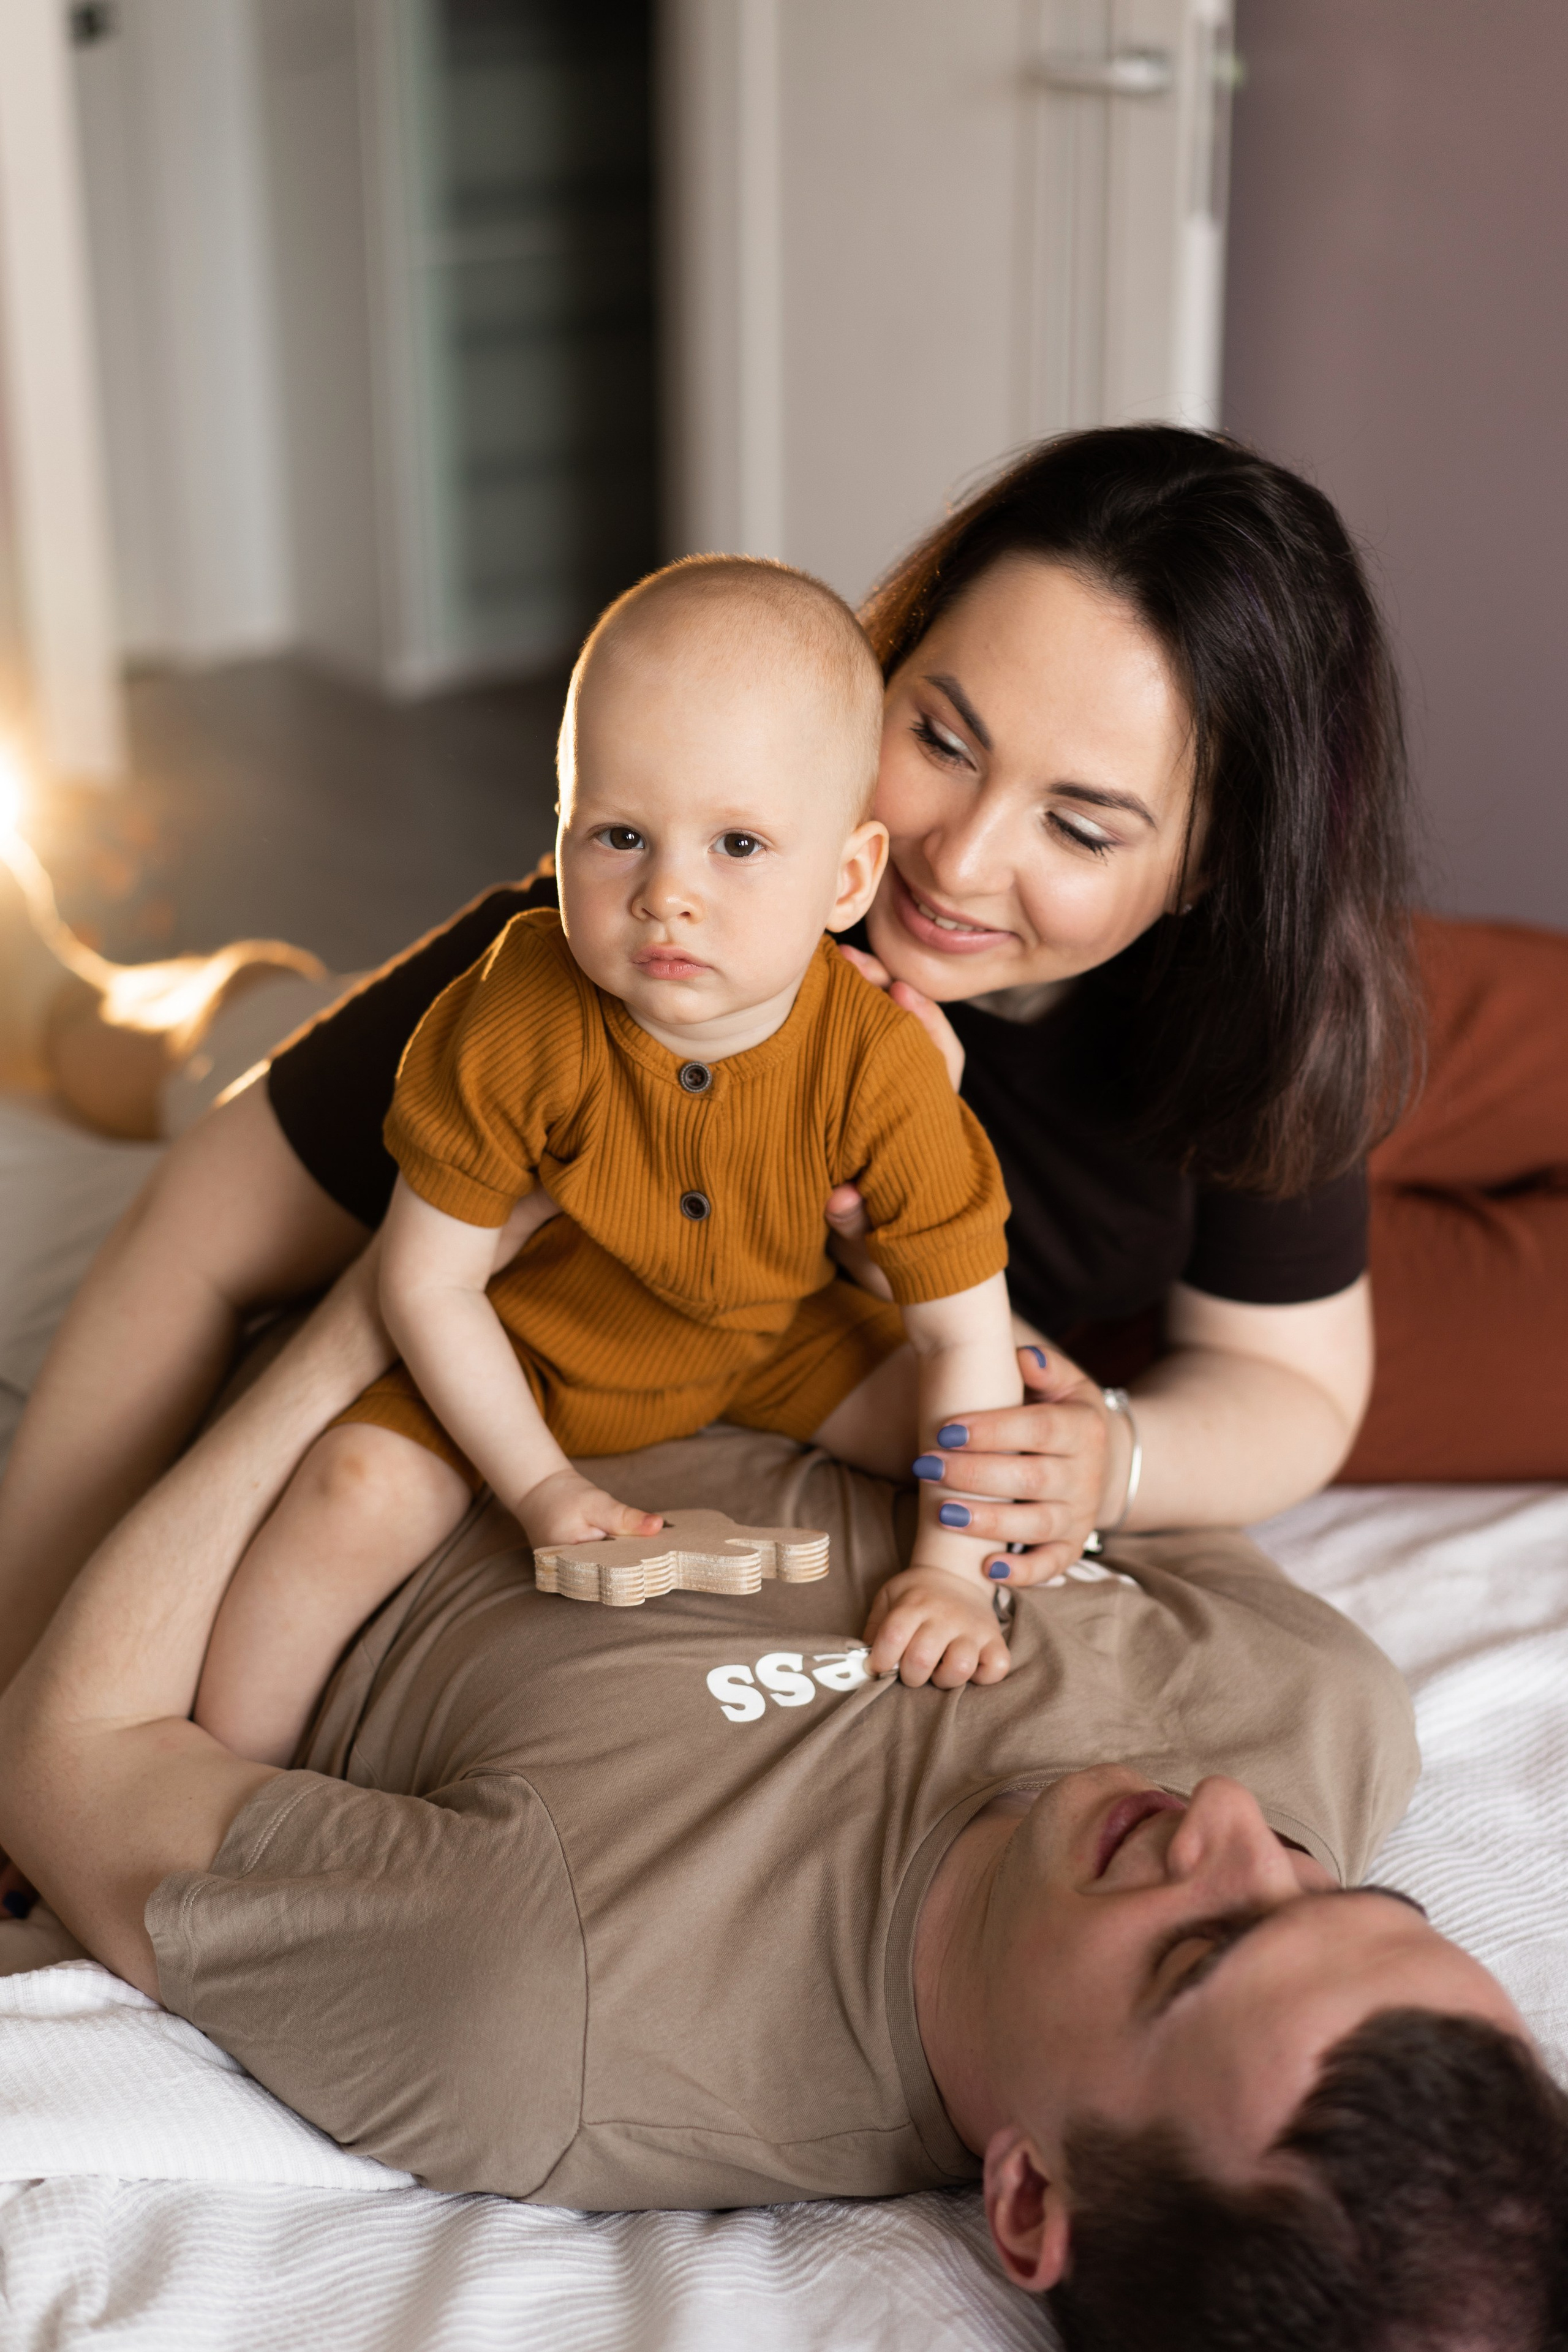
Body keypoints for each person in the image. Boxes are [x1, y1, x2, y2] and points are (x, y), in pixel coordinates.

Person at [0, 425, 1436, 1687]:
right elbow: (196, 1239)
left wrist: (1117, 1457)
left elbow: (1292, 1385)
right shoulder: (637, 939)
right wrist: (23, 1659)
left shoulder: (1270, 1017)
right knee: (202, 1047)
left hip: (805, 1348)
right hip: (450, 1118)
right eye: (937, 737)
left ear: (1208, 869)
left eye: (1079, 824)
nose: (959, 856)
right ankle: (76, 990)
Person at [0, 1263, 1562, 2347]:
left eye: (1194, 1954)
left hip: (345, 1330)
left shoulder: (548, 2005)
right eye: (1347, 1893)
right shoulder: (1316, 1710)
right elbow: (1036, 1407)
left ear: (1027, 2199)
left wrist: (398, 1290)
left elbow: (70, 1757)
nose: (1226, 1817)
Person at [195, 556, 1020, 1768]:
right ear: (562, 830)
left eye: (738, 844)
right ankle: (218, 1779)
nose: (666, 896)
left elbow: (961, 1331)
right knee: (348, 1493)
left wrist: (949, 1572)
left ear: (846, 878)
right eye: (620, 835)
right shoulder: (520, 1007)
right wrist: (539, 1489)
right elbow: (426, 1285)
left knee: (989, 1433)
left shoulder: (879, 1062)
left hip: (771, 1337)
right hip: (539, 1342)